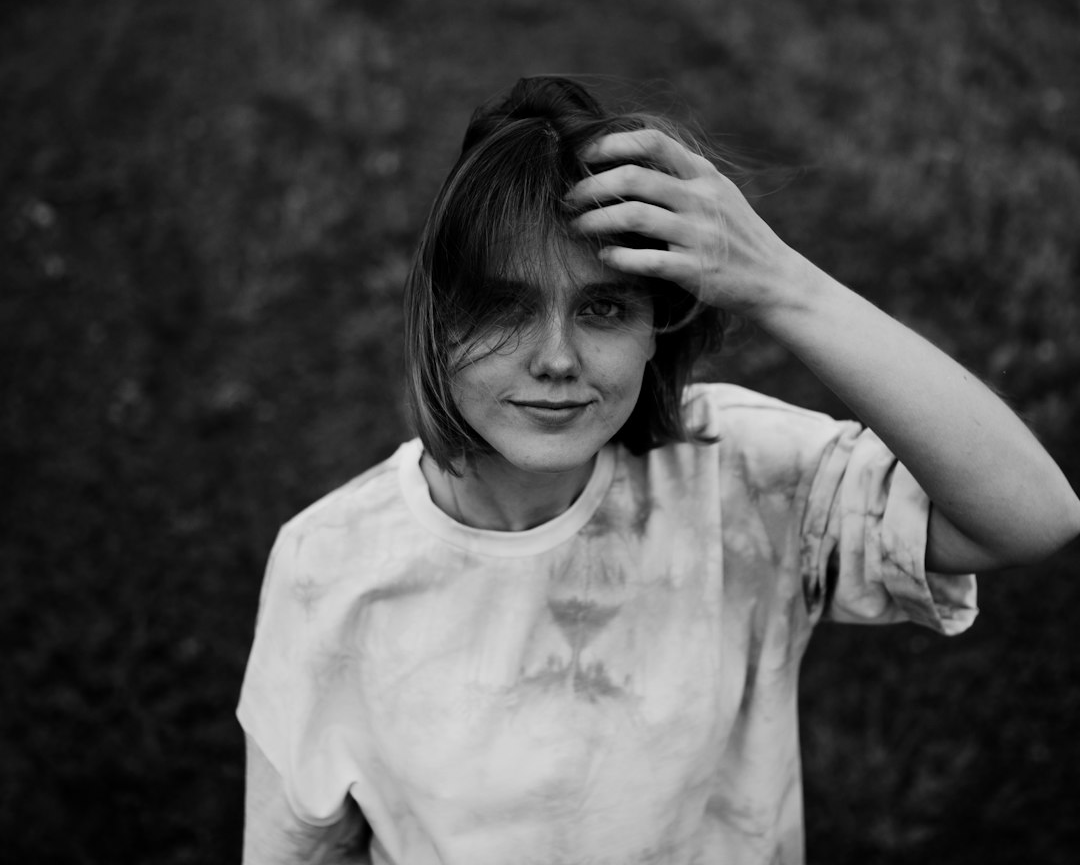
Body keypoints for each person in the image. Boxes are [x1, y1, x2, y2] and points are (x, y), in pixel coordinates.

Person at [238, 76, 1079, 864]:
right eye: (503, 306)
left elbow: (1032, 515)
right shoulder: (329, 565)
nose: (558, 359)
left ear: (656, 329)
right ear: (438, 323)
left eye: (604, 307)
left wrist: (784, 286)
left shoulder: (738, 477)